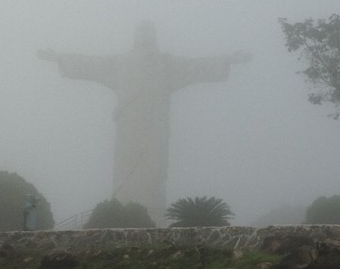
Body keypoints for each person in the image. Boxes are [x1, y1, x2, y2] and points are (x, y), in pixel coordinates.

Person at [38, 21, 250, 217]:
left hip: (156, 129)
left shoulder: (167, 65)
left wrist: (229, 60)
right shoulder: (119, 64)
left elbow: (197, 67)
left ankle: (154, 217)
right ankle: (121, 213)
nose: (145, 37)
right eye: (141, 33)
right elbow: (90, 64)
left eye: (149, 33)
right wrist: (59, 57)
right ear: (135, 37)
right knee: (126, 172)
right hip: (128, 130)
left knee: (154, 171)